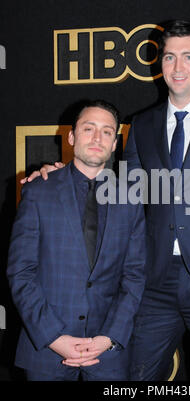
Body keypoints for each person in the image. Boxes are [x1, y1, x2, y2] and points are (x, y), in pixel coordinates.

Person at [23, 20, 190, 381]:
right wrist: (61, 175)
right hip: (154, 282)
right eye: (170, 57)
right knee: (136, 377)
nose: (178, 67)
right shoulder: (141, 124)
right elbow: (124, 192)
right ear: (160, 65)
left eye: (188, 57)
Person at [7, 100, 146, 381]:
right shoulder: (38, 191)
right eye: (88, 128)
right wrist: (54, 337)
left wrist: (109, 337)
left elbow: (135, 275)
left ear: (115, 143)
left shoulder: (131, 199)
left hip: (108, 352)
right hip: (46, 350)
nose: (97, 138)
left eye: (107, 132)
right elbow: (21, 272)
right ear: (71, 136)